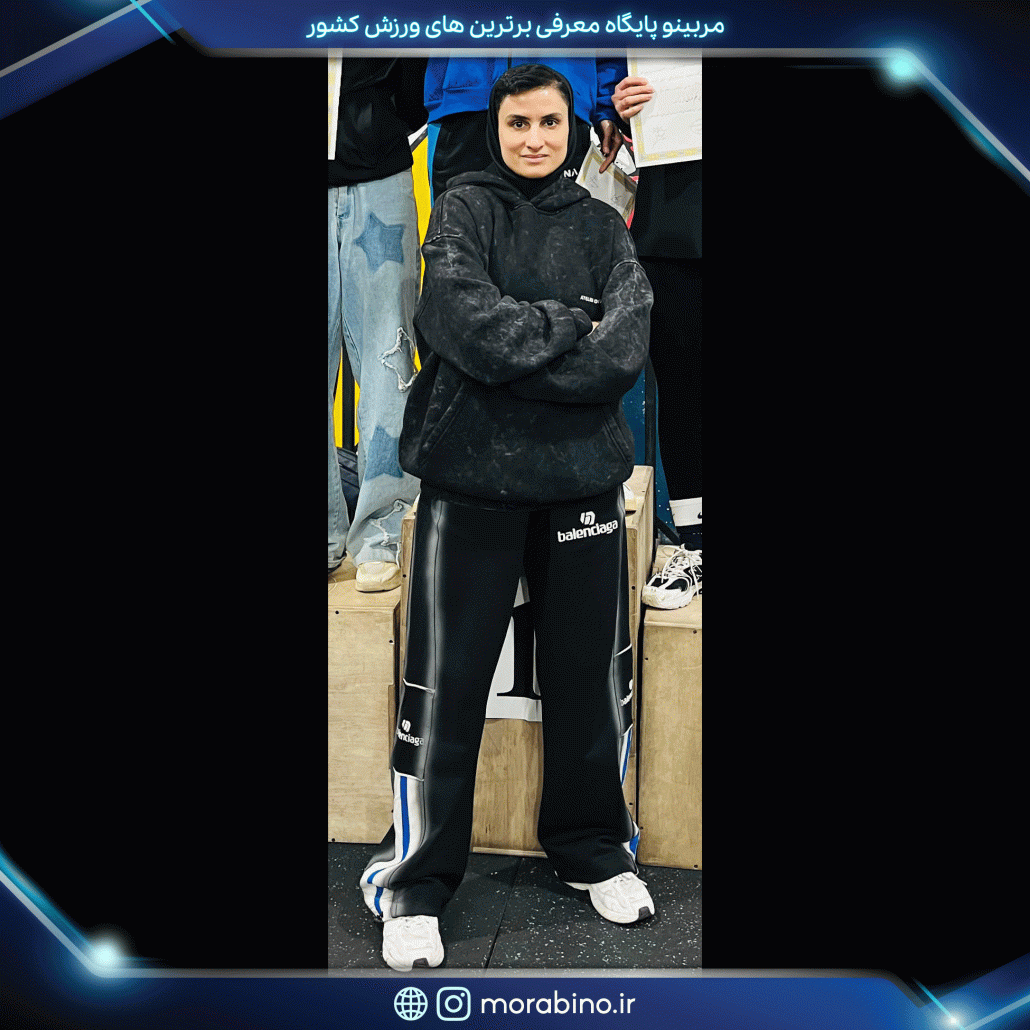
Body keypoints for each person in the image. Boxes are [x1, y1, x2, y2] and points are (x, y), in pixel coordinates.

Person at [359, 64, 655, 972]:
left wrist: (524, 351)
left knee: (588, 684)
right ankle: (413, 884)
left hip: (580, 487)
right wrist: (568, 325)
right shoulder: (461, 210)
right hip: (471, 483)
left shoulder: (602, 226)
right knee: (445, 693)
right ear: (495, 128)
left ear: (573, 129)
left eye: (550, 123)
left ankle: (593, 850)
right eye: (519, 123)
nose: (534, 138)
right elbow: (461, 323)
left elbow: (625, 347)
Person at [328, 57, 426, 588]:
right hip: (373, 168)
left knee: (391, 358)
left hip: (379, 175)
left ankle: (384, 532)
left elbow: (414, 92)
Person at [612, 70, 703, 609]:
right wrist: (618, 105)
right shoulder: (659, 31)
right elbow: (609, 79)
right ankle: (696, 543)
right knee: (683, 387)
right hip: (672, 220)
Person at [423, 56, 626, 201]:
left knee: (562, 239)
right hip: (461, 107)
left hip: (563, 101)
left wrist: (605, 104)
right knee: (459, 231)